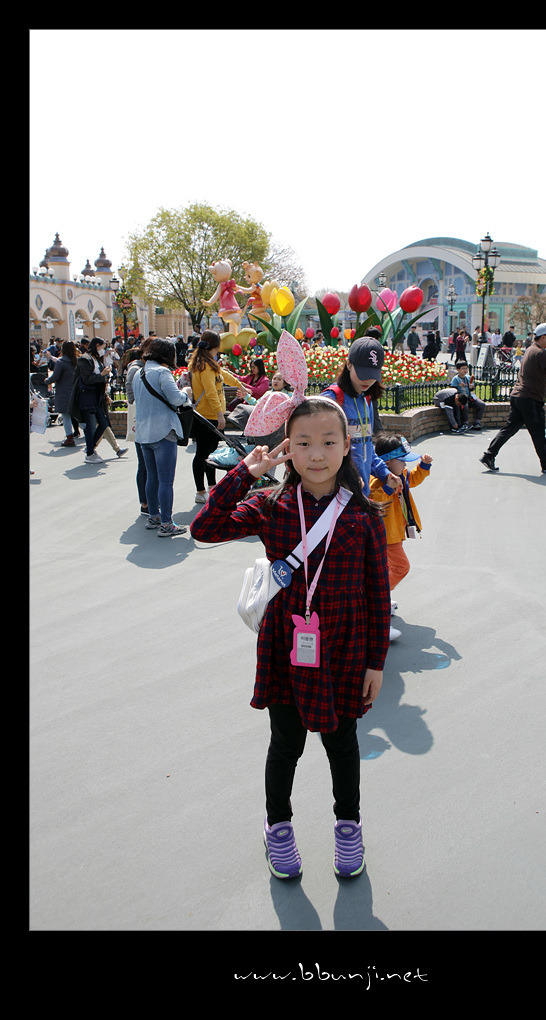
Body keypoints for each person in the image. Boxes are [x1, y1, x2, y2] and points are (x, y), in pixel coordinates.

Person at [190, 394, 391, 880]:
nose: (316, 454)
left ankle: (348, 826)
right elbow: (203, 528)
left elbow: (378, 595)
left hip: (344, 648)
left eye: (328, 442)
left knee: (342, 744)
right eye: (303, 443)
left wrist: (376, 662)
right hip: (286, 647)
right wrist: (246, 473)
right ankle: (277, 826)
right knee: (286, 744)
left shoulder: (364, 515)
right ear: (288, 447)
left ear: (347, 445)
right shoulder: (271, 505)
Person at [480, 323, 546, 474]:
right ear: (543, 337)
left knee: (510, 428)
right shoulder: (541, 353)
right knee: (538, 434)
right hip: (530, 399)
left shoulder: (531, 349)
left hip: (518, 396)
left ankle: (489, 455)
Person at [320, 336, 402, 497]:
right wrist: (346, 477)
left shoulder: (366, 400)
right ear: (348, 364)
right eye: (363, 373)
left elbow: (367, 447)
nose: (368, 380)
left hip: (361, 493)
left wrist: (385, 474)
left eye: (373, 374)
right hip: (335, 494)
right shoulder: (332, 399)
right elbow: (319, 449)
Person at [371, 433, 432, 628]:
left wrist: (423, 466)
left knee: (385, 568)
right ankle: (377, 599)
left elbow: (413, 479)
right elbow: (374, 500)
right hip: (386, 536)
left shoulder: (401, 474)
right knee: (401, 567)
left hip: (394, 532)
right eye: (402, 460)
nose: (405, 464)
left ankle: (379, 597)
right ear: (387, 462)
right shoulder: (377, 480)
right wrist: (388, 488)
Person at [133, 338, 191, 536]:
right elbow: (176, 399)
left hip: (143, 433)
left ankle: (154, 516)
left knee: (152, 477)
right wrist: (186, 393)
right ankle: (167, 523)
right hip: (164, 431)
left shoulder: (138, 373)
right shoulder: (162, 372)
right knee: (166, 481)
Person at [187, 330, 247, 503]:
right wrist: (220, 415)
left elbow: (224, 375)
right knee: (202, 454)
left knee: (210, 453)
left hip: (211, 415)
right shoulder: (204, 366)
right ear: (216, 346)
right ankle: (200, 491)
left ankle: (212, 487)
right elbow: (211, 393)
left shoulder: (208, 363)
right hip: (206, 417)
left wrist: (240, 384)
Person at [72, 338, 116, 464]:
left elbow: (99, 378)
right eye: (102, 347)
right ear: (97, 345)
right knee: (91, 426)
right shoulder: (85, 359)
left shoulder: (96, 359)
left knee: (104, 423)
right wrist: (101, 375)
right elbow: (86, 379)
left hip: (97, 397)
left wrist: (105, 392)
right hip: (87, 397)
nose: (103, 350)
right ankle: (90, 453)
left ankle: (90, 448)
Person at [126, 340, 153, 515]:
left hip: (145, 421)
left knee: (147, 464)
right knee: (144, 464)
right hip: (141, 421)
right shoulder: (136, 369)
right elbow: (131, 397)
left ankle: (148, 501)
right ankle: (144, 502)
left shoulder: (141, 367)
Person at [44, 340, 78, 446]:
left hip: (64, 392)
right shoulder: (77, 361)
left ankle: (69, 438)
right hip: (77, 391)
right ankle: (91, 434)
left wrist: (46, 381)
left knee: (66, 416)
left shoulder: (61, 362)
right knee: (79, 416)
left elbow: (55, 377)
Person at [448, 360, 486, 430]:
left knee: (482, 404)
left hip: (470, 396)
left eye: (466, 368)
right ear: (458, 369)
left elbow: (472, 388)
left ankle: (477, 422)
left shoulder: (468, 378)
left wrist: (471, 387)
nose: (465, 370)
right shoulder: (456, 379)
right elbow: (453, 390)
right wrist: (459, 387)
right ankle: (465, 423)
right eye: (463, 368)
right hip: (462, 398)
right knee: (465, 405)